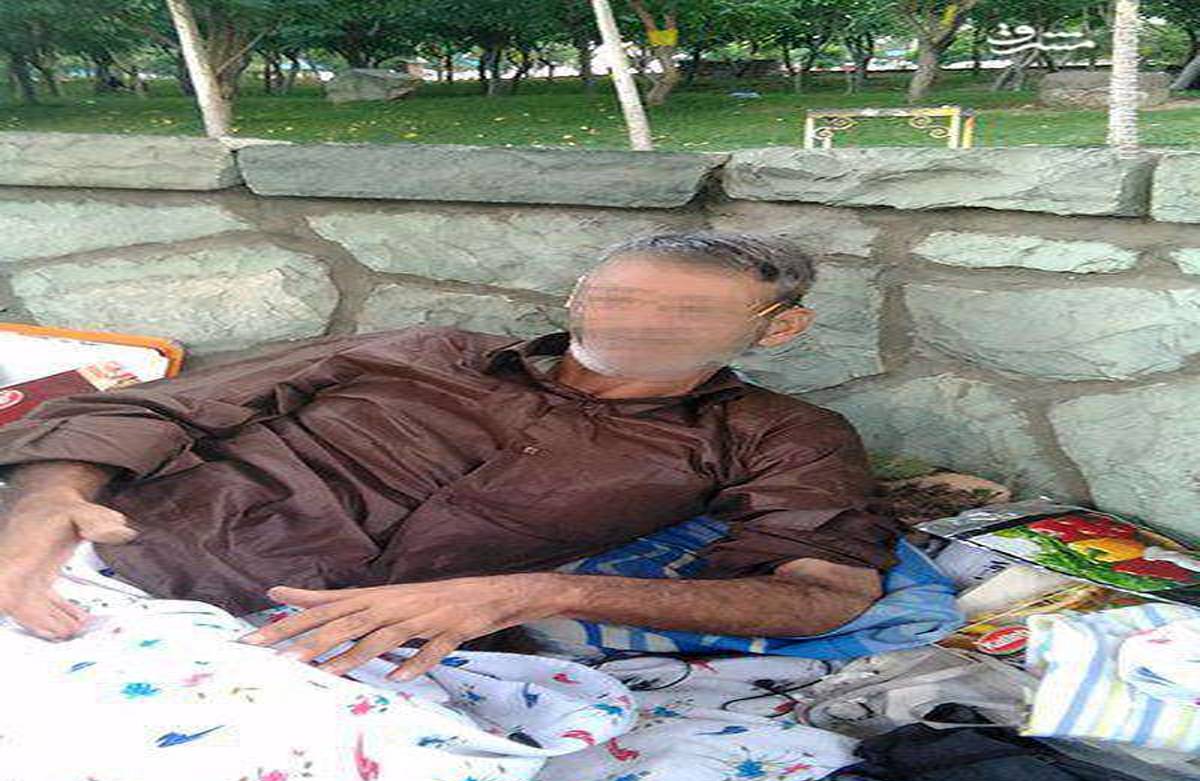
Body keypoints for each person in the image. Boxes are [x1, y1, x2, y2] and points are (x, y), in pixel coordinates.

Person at [0, 232, 900, 681]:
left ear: (780, 328)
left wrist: (537, 593)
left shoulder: (780, 435)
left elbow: (821, 593)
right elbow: (145, 405)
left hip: (302, 648)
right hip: (98, 557)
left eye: (686, 312)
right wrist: (45, 506)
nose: (637, 323)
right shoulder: (421, 350)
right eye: (615, 297)